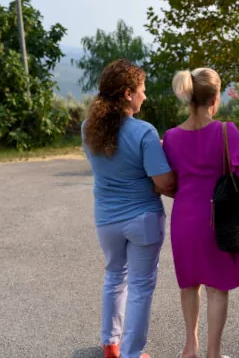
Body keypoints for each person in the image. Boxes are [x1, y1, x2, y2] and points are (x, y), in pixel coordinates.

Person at [162, 67, 239, 358]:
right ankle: (213, 353)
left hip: (184, 219)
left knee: (189, 284)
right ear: (215, 97)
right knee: (216, 288)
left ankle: (190, 347)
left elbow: (168, 182)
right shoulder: (226, 131)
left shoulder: (171, 137)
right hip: (216, 218)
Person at [81, 59, 176, 358]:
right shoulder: (144, 132)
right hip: (143, 219)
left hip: (106, 219)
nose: (144, 96)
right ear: (127, 94)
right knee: (141, 287)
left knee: (113, 276)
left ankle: (111, 344)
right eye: (141, 90)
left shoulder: (88, 128)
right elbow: (164, 182)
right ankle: (133, 354)